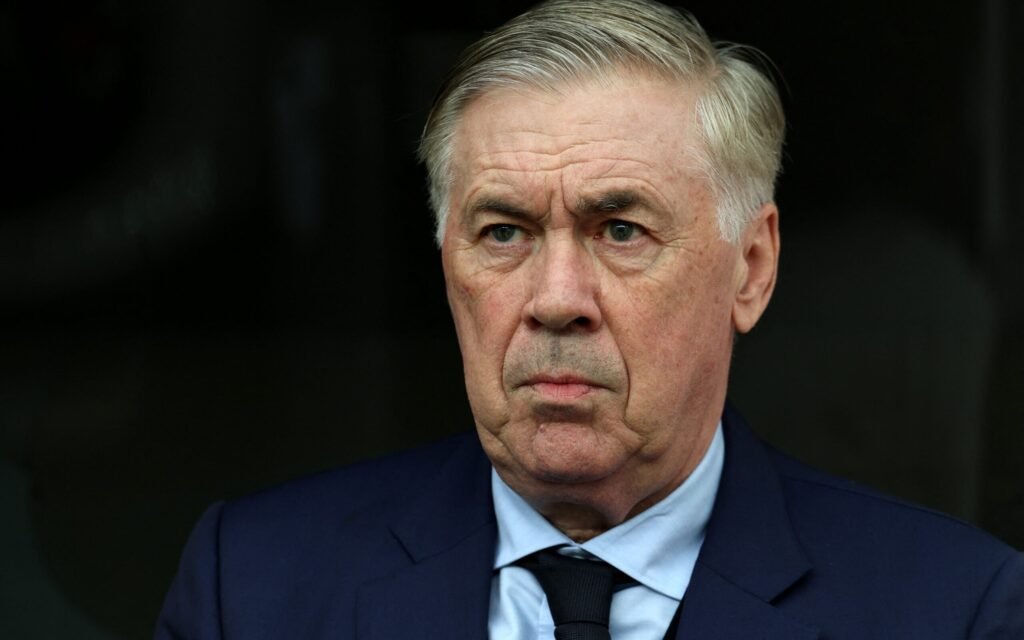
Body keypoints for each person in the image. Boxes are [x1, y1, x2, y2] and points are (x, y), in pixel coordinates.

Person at [156, 0, 1024, 638]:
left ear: (751, 268)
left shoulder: (954, 610)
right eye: (503, 232)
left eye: (620, 230)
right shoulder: (254, 587)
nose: (556, 299)